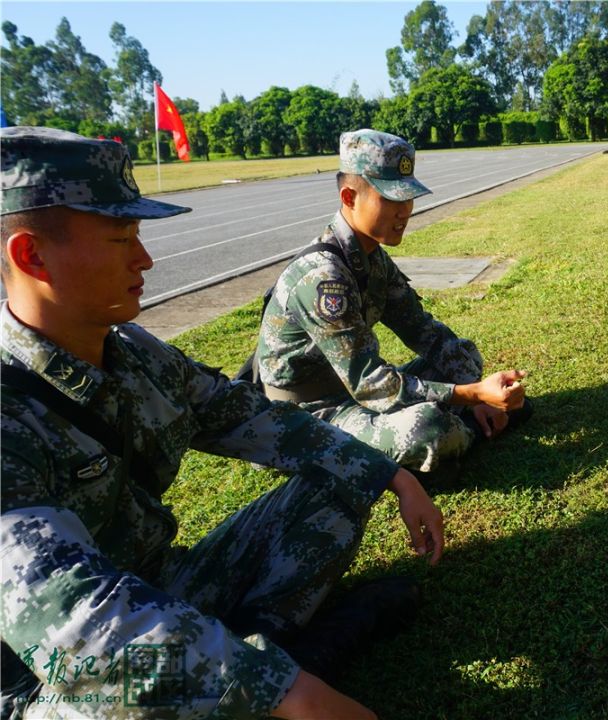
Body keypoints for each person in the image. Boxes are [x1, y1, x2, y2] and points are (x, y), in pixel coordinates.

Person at [0, 127, 445, 719]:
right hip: (49, 683)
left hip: (162, 586)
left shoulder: (132, 351)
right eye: (121, 237)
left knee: (336, 482)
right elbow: (85, 631)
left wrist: (394, 477)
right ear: (31, 255)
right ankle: (289, 665)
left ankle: (269, 659)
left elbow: (258, 419)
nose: (145, 258)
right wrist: (292, 695)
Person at [256, 129, 528, 478]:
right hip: (309, 415)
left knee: (461, 354)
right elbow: (372, 383)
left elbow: (424, 331)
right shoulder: (322, 278)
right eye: (391, 200)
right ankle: (467, 431)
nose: (404, 212)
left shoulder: (373, 259)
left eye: (408, 199)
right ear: (349, 197)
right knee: (427, 429)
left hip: (354, 395)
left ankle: (471, 421)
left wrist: (468, 386)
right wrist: (473, 396)